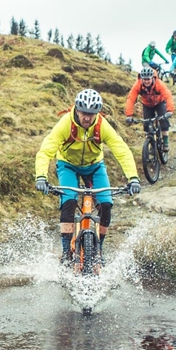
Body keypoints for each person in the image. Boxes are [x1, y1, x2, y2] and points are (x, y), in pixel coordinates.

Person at [35, 89, 141, 262]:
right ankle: (66, 252)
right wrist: (41, 176)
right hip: (68, 165)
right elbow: (46, 150)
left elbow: (121, 149)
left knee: (106, 204)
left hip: (94, 166)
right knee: (69, 201)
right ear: (77, 110)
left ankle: (99, 249)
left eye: (91, 114)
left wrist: (133, 178)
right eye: (84, 113)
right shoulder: (66, 123)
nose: (87, 117)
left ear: (97, 113)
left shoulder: (101, 125)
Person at [124, 66, 174, 150]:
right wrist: (129, 115)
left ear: (152, 78)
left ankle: (165, 143)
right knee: (147, 125)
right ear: (141, 79)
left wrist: (169, 111)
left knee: (164, 120)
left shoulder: (159, 84)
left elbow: (168, 96)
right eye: (144, 79)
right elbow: (131, 99)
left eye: (148, 79)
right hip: (147, 104)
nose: (146, 81)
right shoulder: (138, 85)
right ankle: (151, 143)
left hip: (159, 102)